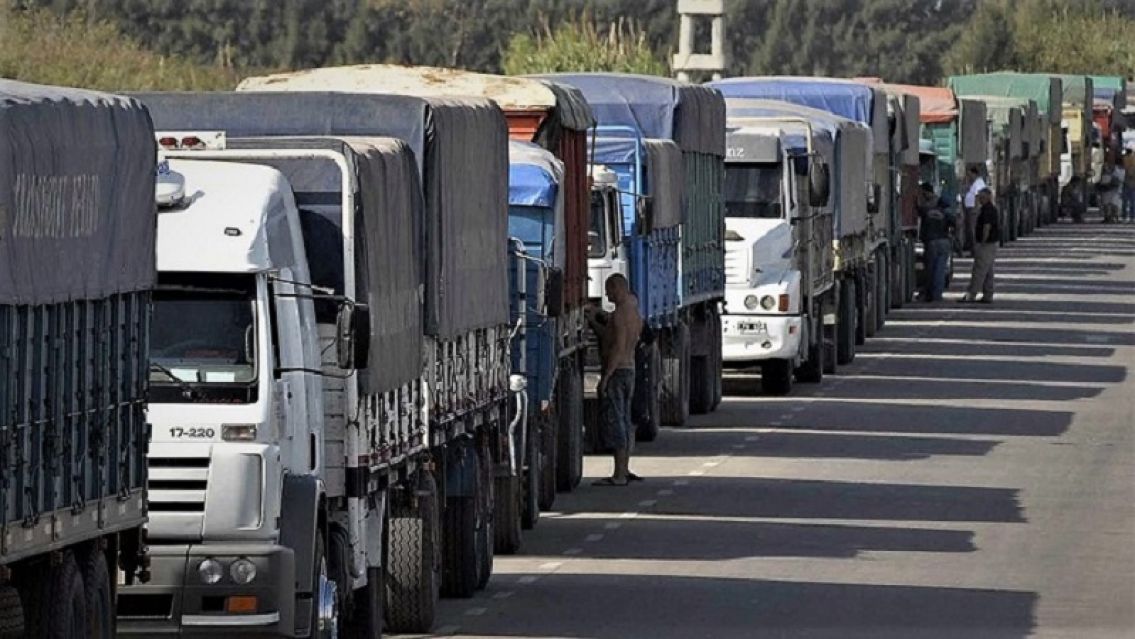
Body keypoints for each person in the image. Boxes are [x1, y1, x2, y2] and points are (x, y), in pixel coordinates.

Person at [585, 273, 643, 486]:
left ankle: (619, 475)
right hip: (630, 370)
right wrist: (595, 321)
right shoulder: (633, 312)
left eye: (609, 291)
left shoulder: (619, 316)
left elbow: (617, 347)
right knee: (625, 420)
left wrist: (606, 377)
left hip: (618, 372)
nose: (608, 296)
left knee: (615, 422)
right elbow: (617, 337)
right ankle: (624, 469)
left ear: (618, 288)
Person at [917, 183, 955, 302]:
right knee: (940, 269)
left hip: (931, 242)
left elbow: (919, 211)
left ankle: (929, 294)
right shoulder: (946, 213)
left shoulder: (926, 211)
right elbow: (954, 224)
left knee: (930, 269)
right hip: (943, 241)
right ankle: (937, 294)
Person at [960, 188, 1000, 304]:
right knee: (988, 271)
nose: (979, 200)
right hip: (991, 243)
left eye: (982, 197)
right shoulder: (988, 209)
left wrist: (982, 242)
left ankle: (971, 294)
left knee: (979, 270)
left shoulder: (988, 210)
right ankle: (988, 294)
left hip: (986, 244)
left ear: (988, 197)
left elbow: (987, 227)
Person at [962, 166, 987, 253]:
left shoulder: (979, 183)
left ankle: (976, 250)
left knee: (973, 230)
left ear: (974, 174)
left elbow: (978, 196)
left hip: (973, 210)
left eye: (970, 175)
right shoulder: (974, 183)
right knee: (970, 229)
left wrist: (976, 209)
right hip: (970, 209)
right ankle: (972, 248)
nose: (969, 177)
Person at [1122, 148, 1135, 222]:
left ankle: (1125, 217)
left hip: (1126, 182)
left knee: (1125, 201)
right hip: (1131, 183)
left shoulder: (1125, 158)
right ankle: (1132, 217)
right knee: (1132, 202)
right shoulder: (1131, 158)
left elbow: (1126, 169)